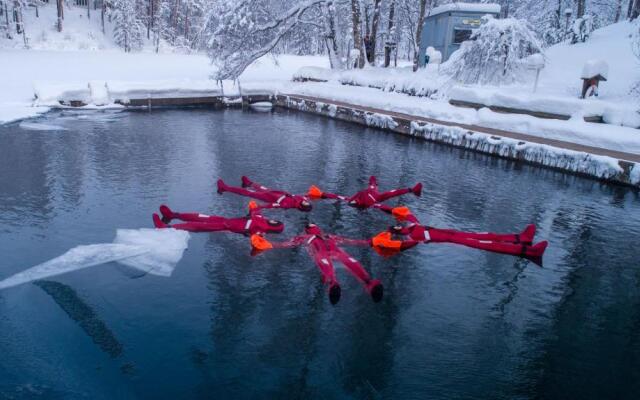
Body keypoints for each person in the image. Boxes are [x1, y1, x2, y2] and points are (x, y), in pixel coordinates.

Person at [250, 223, 418, 304]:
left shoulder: (303, 237)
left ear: (307, 231)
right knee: (352, 263)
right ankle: (370, 283)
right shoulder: (330, 236)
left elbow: (289, 244)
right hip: (337, 251)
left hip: (320, 253)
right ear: (319, 230)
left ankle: (333, 284)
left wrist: (269, 245)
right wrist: (369, 241)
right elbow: (351, 241)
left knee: (328, 271)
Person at [384, 206, 548, 260]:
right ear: (397, 233)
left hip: (456, 234)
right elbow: (402, 246)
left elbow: (408, 213)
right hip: (456, 243)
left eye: (398, 225)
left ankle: (521, 238)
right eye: (396, 228)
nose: (399, 226)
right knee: (488, 244)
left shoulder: (413, 225)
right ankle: (529, 251)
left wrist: (386, 208)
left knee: (487, 235)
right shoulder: (411, 238)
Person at [152, 202, 284, 235]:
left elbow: (256, 240)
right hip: (224, 220)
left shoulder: (260, 231)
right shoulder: (261, 219)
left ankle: (165, 227)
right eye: (275, 220)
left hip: (224, 226)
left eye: (275, 223)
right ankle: (173, 215)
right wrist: (262, 206)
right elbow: (255, 210)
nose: (273, 220)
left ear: (273, 227)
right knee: (200, 216)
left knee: (196, 225)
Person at [307, 176, 422, 210]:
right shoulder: (369, 203)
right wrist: (393, 211)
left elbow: (336, 196)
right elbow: (382, 206)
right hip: (377, 197)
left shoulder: (351, 199)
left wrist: (322, 194)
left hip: (371, 191)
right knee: (393, 193)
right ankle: (412, 190)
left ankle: (374, 180)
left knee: (372, 182)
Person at [217, 176, 312, 212]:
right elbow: (304, 196)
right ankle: (248, 183)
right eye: (307, 203)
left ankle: (225, 188)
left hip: (268, 197)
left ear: (302, 207)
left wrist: (261, 207)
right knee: (261, 187)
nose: (306, 202)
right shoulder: (301, 199)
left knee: (247, 192)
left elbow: (274, 205)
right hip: (275, 193)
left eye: (306, 204)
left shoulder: (288, 205)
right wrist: (309, 195)